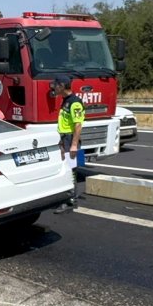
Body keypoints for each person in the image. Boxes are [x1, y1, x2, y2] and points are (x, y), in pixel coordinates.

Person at [52, 74, 84, 214]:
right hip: (65, 138)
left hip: (71, 139)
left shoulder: (74, 102)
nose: (54, 87)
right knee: (67, 169)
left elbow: (78, 125)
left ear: (62, 86)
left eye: (56, 85)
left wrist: (74, 145)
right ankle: (68, 198)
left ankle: (71, 200)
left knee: (72, 170)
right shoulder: (66, 100)